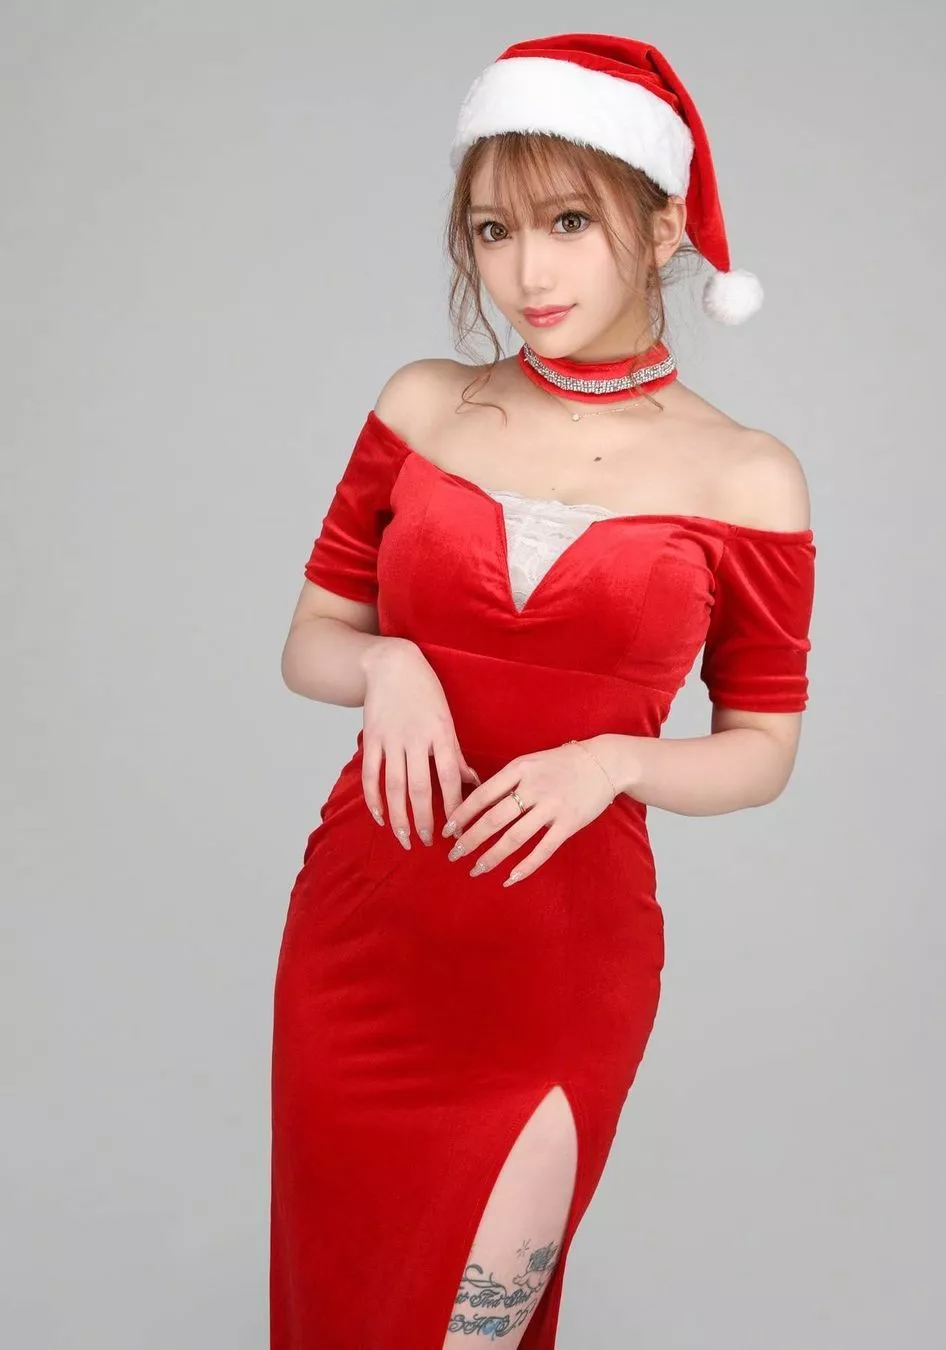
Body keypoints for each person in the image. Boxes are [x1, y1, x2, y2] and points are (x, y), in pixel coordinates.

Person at [270, 31, 816, 1350]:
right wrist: (389, 660)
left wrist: (612, 761)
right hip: (365, 934)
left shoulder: (748, 477)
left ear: (664, 227)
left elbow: (761, 748)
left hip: (558, 961)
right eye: (494, 230)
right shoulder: (423, 403)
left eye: (569, 222)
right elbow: (311, 643)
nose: (527, 270)